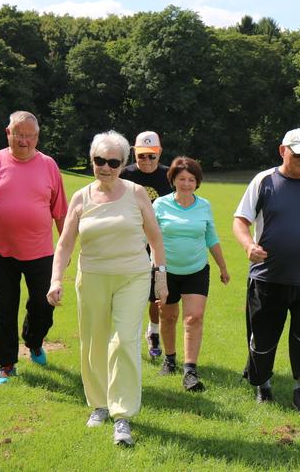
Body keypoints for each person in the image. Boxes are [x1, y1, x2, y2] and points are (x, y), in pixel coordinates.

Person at [46, 131, 168, 446]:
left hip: (133, 276)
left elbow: (155, 238)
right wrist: (56, 279)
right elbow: (64, 244)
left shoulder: (138, 193)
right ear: (92, 161)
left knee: (124, 341)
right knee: (93, 342)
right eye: (100, 161)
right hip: (93, 277)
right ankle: (99, 404)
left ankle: (122, 415)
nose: (106, 167)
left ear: (122, 164)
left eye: (113, 162)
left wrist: (161, 275)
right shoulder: (81, 197)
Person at [232, 128, 300, 417]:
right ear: (283, 151)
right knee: (263, 336)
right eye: (298, 155)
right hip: (268, 277)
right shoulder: (263, 181)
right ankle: (262, 384)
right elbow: (240, 221)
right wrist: (248, 245)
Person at [0, 111, 68, 385]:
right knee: (3, 307)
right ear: (8, 133)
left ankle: (33, 340)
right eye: (18, 134)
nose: (24, 140)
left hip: (41, 251)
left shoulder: (49, 166)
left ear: (37, 137)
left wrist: (65, 250)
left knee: (44, 305)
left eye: (30, 135)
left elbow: (60, 213)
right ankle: (6, 364)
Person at [153, 156, 230, 391]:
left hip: (196, 269)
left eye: (191, 179)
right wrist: (155, 271)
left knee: (193, 317)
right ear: (173, 180)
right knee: (168, 316)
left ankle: (190, 370)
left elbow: (211, 238)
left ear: (197, 182)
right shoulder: (159, 205)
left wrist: (223, 267)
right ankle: (169, 358)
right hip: (166, 271)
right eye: (181, 179)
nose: (186, 184)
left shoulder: (204, 205)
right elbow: (150, 240)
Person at [120, 131, 170, 360]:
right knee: (127, 293)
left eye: (152, 156)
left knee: (156, 294)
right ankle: (125, 338)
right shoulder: (123, 175)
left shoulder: (170, 176)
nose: (147, 161)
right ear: (134, 153)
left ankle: (154, 332)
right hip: (129, 242)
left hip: (159, 242)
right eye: (142, 156)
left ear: (159, 153)